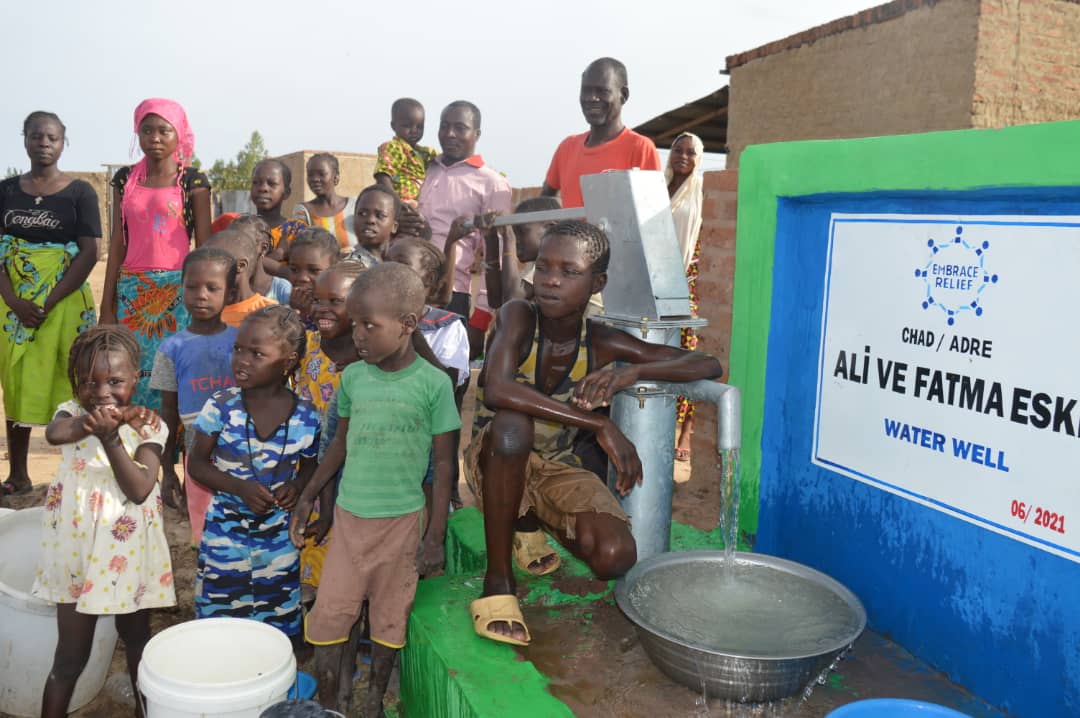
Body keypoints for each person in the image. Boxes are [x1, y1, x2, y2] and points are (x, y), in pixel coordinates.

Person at [465, 220, 722, 646]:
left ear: (596, 281)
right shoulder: (518, 317)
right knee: (513, 428)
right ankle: (498, 586)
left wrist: (631, 373)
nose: (550, 280)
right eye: (544, 267)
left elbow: (707, 364)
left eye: (569, 272)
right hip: (494, 457)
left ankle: (528, 526)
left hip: (555, 469)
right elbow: (497, 389)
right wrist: (598, 422)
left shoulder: (601, 341)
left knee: (614, 556)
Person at [290, 262, 459, 716]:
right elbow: (339, 445)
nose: (358, 334)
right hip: (349, 522)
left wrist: (435, 537)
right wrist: (309, 496)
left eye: (369, 325)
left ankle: (372, 700)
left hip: (402, 526)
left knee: (388, 620)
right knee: (330, 617)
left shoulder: (434, 385)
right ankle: (333, 700)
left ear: (407, 325)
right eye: (355, 322)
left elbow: (444, 468)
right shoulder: (354, 379)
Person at [33, 326, 172, 718]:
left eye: (114, 381)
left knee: (138, 644)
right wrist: (94, 425)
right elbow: (56, 432)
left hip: (127, 559)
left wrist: (113, 439)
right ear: (76, 383)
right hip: (76, 557)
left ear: (135, 379)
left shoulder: (148, 425)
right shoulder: (72, 414)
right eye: (89, 382)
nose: (101, 392)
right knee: (68, 660)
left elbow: (140, 488)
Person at [188, 306, 320, 646]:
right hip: (224, 537)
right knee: (218, 625)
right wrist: (239, 488)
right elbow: (197, 465)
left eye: (257, 353)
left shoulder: (306, 416)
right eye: (238, 350)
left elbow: (311, 466)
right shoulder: (220, 407)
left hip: (278, 541)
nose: (242, 360)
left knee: (277, 626)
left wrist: (296, 486)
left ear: (288, 360)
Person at [0, 112, 99, 498]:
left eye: (52, 137)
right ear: (24, 140)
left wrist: (49, 299)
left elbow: (90, 251)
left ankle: (78, 472)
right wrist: (12, 299)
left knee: (74, 379)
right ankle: (19, 473)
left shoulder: (81, 193)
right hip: (15, 306)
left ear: (63, 143)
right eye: (37, 135)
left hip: (65, 300)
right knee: (16, 379)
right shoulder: (6, 191)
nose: (44, 142)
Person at [100, 98, 212, 412]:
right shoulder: (125, 179)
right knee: (129, 372)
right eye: (146, 130)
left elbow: (205, 249)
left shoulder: (192, 182)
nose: (155, 138)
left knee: (175, 374)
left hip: (179, 294)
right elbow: (118, 243)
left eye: (164, 130)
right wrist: (107, 307)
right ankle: (138, 448)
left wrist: (207, 302)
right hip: (131, 294)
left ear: (180, 135)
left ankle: (171, 454)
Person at [149, 247, 238, 540]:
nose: (201, 295)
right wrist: (168, 470)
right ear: (181, 288)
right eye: (192, 287)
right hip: (196, 454)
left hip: (241, 450)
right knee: (201, 525)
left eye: (213, 288)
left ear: (230, 293)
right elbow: (168, 413)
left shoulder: (242, 342)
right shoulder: (171, 349)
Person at [416, 101, 512, 350]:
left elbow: (498, 256)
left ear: (476, 134)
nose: (450, 134)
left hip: (452, 292)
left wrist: (480, 321)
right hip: (406, 285)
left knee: (444, 377)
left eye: (460, 128)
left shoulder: (492, 183)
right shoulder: (423, 169)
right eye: (444, 126)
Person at [296, 259, 366, 596]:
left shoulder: (369, 360)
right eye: (318, 300)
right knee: (313, 568)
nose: (322, 309)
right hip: (310, 473)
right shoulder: (305, 347)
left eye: (335, 301)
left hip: (354, 480)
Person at [541, 58, 661, 208]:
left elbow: (652, 212)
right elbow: (545, 198)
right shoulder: (567, 148)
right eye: (586, 90)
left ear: (623, 95)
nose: (591, 98)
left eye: (602, 91)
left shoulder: (640, 148)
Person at [667, 132, 706, 463]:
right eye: (678, 150)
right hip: (657, 282)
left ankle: (686, 431)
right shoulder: (661, 190)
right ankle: (663, 423)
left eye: (691, 152)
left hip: (685, 284)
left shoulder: (700, 195)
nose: (683, 156)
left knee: (687, 353)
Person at [205, 226, 279, 326]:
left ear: (241, 265)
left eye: (216, 260)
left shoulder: (269, 311)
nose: (207, 267)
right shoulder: (206, 310)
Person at [373, 98, 439, 205]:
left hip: (419, 205)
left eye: (419, 127)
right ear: (393, 126)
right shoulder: (394, 147)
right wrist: (396, 202)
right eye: (407, 126)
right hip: (401, 202)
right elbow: (383, 176)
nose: (414, 131)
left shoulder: (423, 153)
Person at [251, 159, 307, 279]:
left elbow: (299, 276)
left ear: (286, 192)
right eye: (256, 182)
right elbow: (240, 269)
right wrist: (278, 254)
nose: (263, 188)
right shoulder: (241, 228)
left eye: (272, 184)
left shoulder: (296, 230)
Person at [294, 153, 355, 252]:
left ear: (336, 178)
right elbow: (303, 249)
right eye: (310, 175)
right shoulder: (303, 211)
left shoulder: (354, 205)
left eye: (321, 174)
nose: (315, 179)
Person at [229, 214, 293, 305]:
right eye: (231, 242)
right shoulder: (227, 289)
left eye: (243, 243)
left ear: (263, 248)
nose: (235, 248)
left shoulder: (281, 289)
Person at [287, 227, 340, 327]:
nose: (302, 278)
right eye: (294, 270)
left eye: (314, 270)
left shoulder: (341, 308)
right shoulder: (282, 305)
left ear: (334, 269)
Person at [347, 184, 399, 267]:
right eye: (362, 214)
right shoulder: (349, 268)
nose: (370, 220)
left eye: (380, 215)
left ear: (394, 226)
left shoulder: (401, 259)